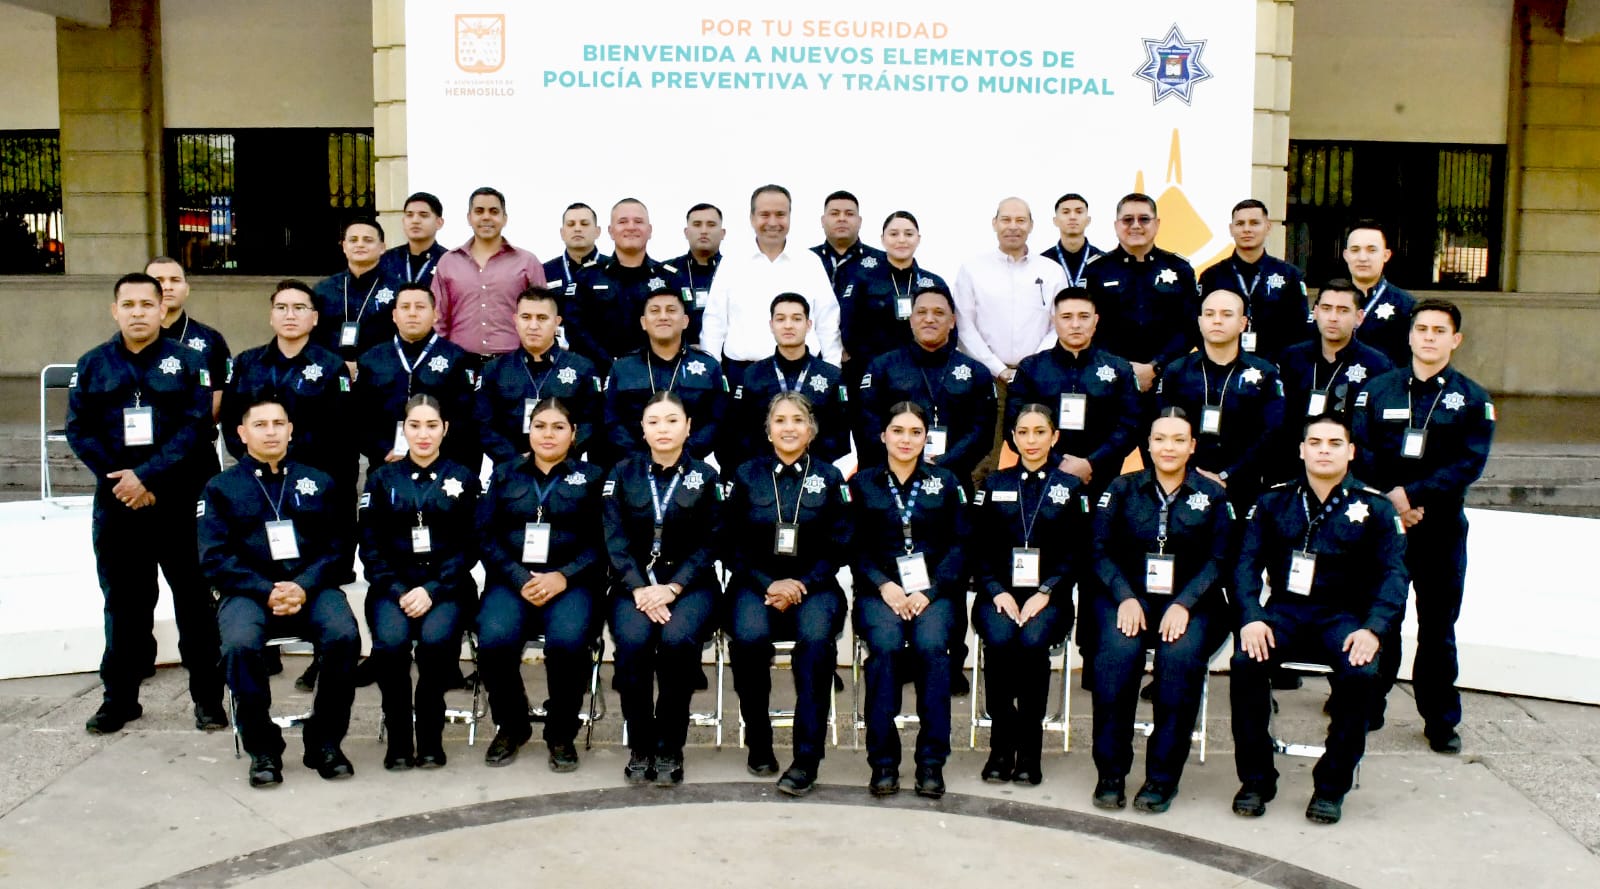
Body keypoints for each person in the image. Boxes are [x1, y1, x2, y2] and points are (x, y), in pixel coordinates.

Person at [1230, 414, 1409, 824]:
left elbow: (1394, 576)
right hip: (1284, 613)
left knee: (1362, 674)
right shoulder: (1273, 501)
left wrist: (1373, 629)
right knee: (1245, 663)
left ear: (1351, 452)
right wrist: (1251, 617)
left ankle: (1331, 786)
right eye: (1315, 443)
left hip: (1344, 617)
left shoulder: (1376, 508)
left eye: (1334, 443)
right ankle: (1257, 779)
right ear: (1301, 450)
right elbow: (1244, 564)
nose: (1324, 451)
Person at [66, 272, 224, 734]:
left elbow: (196, 427)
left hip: (179, 500)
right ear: (115, 310)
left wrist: (147, 476)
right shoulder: (93, 364)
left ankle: (208, 700)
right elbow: (80, 430)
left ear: (161, 309)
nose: (138, 312)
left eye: (146, 304)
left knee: (195, 602)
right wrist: (124, 480)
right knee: (124, 604)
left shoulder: (189, 361)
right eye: (129, 305)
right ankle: (119, 700)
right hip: (119, 502)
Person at [1353, 299, 1494, 753]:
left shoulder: (1473, 399)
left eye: (1439, 331)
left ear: (1456, 340)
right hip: (1385, 528)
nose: (1429, 337)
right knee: (1382, 619)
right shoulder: (1378, 391)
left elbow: (1468, 463)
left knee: (1437, 627)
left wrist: (1411, 497)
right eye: (1422, 329)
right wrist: (1391, 500)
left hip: (1440, 528)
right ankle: (1369, 706)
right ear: (1409, 336)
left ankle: (1440, 720)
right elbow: (1361, 451)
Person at [199, 398, 361, 787]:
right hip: (248, 592)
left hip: (312, 589)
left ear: (291, 430)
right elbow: (214, 557)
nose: (270, 431)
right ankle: (264, 749)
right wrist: (266, 589)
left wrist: (302, 586)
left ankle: (325, 742)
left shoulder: (318, 482)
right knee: (240, 646)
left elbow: (338, 548)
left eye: (278, 423)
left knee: (344, 636)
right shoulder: (221, 488)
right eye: (260, 425)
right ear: (242, 434)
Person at [1088, 409, 1232, 813]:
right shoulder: (1121, 489)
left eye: (1178, 440)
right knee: (1117, 660)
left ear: (1192, 446)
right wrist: (1125, 596)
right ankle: (1111, 773)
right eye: (1160, 439)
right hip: (1127, 599)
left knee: (1178, 665)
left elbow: (1220, 558)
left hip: (1190, 603)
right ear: (1148, 445)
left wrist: (1185, 602)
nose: (1169, 447)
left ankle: (1161, 779)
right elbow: (1098, 551)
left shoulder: (1213, 494)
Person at [723, 392, 851, 796]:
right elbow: (730, 543)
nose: (789, 427)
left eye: (798, 420)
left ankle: (806, 760)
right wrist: (769, 583)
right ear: (768, 431)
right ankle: (759, 741)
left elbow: (840, 544)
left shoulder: (829, 478)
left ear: (811, 430)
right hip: (755, 584)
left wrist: (801, 584)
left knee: (815, 643)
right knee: (749, 639)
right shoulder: (746, 475)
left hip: (815, 587)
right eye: (780, 420)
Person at [476, 397, 607, 770]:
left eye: (558, 427)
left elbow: (604, 540)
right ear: (529, 430)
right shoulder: (505, 474)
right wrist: (519, 577)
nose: (548, 434)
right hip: (513, 580)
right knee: (494, 639)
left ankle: (560, 733)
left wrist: (563, 575)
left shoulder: (593, 477)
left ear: (574, 434)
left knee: (568, 643)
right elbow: (485, 535)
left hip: (571, 582)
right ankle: (512, 725)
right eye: (540, 426)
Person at [603, 393, 724, 787]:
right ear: (642, 429)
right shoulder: (622, 473)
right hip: (633, 585)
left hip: (689, 586)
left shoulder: (706, 477)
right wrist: (640, 588)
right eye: (653, 421)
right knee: (633, 643)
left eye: (672, 420)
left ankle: (670, 745)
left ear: (688, 427)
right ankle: (641, 745)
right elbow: (614, 539)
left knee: (676, 642)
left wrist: (673, 586)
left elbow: (711, 542)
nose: (663, 429)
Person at [851, 401, 969, 799]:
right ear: (883, 435)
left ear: (926, 439)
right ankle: (883, 762)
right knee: (885, 649)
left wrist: (930, 591)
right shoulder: (862, 483)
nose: (906, 439)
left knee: (932, 649)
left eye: (915, 432)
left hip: (933, 593)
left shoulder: (946, 482)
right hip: (880, 593)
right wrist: (884, 585)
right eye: (898, 431)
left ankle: (931, 763)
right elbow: (853, 546)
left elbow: (960, 545)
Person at [357, 395, 480, 770]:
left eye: (431, 426)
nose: (423, 434)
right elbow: (370, 547)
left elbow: (471, 546)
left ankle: (429, 737)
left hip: (447, 587)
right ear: (403, 430)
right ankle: (398, 739)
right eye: (415, 426)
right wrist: (400, 590)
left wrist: (432, 590)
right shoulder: (381, 479)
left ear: (445, 429)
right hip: (392, 588)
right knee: (391, 645)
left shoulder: (463, 477)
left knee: (436, 643)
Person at [971, 404, 1085, 786]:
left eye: (1040, 432)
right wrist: (996, 590)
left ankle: (1030, 751)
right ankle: (1001, 746)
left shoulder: (1070, 487)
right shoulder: (994, 483)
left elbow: (1077, 553)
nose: (1031, 440)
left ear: (1054, 437)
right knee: (1001, 639)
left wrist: (1046, 590)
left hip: (1050, 597)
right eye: (1023, 432)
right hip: (998, 595)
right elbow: (978, 549)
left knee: (1033, 641)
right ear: (1013, 438)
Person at [222, 280, 356, 576]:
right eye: (281, 307)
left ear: (314, 318)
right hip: (258, 479)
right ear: (271, 316)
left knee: (315, 569)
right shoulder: (246, 363)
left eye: (299, 308)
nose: (290, 315)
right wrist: (261, 460)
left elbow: (341, 431)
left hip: (311, 481)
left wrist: (289, 463)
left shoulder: (332, 367)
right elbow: (231, 422)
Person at [952, 197, 1067, 482]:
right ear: (994, 224)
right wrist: (998, 368)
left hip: (1038, 379)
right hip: (987, 378)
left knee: (1040, 453)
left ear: (1031, 225)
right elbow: (964, 326)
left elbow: (1059, 324)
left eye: (1020, 220)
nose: (1013, 226)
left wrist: (1030, 366)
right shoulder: (973, 269)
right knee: (983, 458)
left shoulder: (1051, 270)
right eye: (1006, 219)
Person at [1155, 289, 1287, 512]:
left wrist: (1228, 474)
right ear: (1199, 322)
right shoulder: (1176, 371)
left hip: (1245, 485)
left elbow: (1272, 433)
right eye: (1209, 314)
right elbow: (1162, 428)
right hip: (1183, 483)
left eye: (1226, 314)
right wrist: (1192, 474)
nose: (1217, 320)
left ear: (1243, 323)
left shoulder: (1265, 373)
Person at [1005, 287, 1140, 500]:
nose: (1075, 324)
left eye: (1084, 317)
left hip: (1103, 476)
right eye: (1067, 317)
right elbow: (1013, 425)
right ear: (1054, 320)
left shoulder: (1119, 368)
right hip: (1043, 476)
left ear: (1096, 320)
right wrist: (1059, 463)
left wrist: (1090, 463)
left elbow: (1130, 425)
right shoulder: (1031, 368)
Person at [701, 184, 842, 385]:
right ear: (752, 218)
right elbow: (714, 322)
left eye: (780, 214)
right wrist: (711, 374)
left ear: (790, 217)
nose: (773, 222)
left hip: (802, 375)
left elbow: (828, 321)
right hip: (743, 375)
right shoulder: (733, 262)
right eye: (765, 214)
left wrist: (832, 370)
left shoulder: (810, 262)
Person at [857, 285, 998, 485]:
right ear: (911, 319)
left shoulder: (976, 372)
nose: (929, 319)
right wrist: (906, 462)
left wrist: (943, 463)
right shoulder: (882, 367)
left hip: (953, 479)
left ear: (952, 321)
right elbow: (868, 424)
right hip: (892, 478)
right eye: (921, 312)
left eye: (939, 313)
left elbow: (981, 432)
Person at [1274, 279, 1393, 482]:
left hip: (1353, 475)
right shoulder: (1291, 358)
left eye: (1343, 310)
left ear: (1359, 317)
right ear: (1315, 312)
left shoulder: (1378, 365)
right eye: (1326, 309)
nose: (1333, 317)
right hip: (1292, 470)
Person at [353, 283, 479, 473]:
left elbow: (465, 417)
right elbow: (359, 415)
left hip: (443, 465)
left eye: (420, 307)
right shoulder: (371, 359)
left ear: (435, 314)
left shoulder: (458, 359)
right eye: (405, 307)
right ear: (394, 315)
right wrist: (384, 449)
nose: (412, 313)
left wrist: (428, 450)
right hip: (386, 464)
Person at [1084, 193, 1201, 396]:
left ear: (1157, 224)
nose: (1136, 226)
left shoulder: (1180, 269)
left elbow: (1190, 327)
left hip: (1169, 377)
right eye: (1128, 220)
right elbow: (1089, 326)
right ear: (1116, 225)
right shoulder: (1096, 270)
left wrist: (1156, 366)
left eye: (1144, 219)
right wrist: (1124, 367)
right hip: (1110, 377)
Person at [475, 288, 603, 466]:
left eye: (542, 318)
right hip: (510, 469)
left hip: (566, 467)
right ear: (515, 320)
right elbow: (483, 425)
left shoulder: (583, 368)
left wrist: (558, 455)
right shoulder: (494, 370)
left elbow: (592, 421)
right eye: (526, 317)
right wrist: (517, 460)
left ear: (557, 322)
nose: (533, 326)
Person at [723, 294, 849, 472]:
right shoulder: (751, 375)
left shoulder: (831, 376)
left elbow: (839, 435)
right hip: (762, 474)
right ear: (771, 325)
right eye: (780, 319)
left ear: (809, 325)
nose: (788, 325)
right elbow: (738, 433)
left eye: (797, 319)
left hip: (816, 474)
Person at [603, 283, 727, 464]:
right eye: (655, 311)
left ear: (685, 321)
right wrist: (639, 456)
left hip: (691, 464)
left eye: (671, 310)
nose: (663, 316)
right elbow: (612, 419)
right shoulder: (622, 367)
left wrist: (684, 454)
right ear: (643, 322)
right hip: (634, 465)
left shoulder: (709, 366)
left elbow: (717, 420)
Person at [564, 198, 681, 373]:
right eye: (623, 221)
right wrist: (612, 364)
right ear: (611, 231)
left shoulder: (669, 278)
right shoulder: (587, 277)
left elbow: (680, 329)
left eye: (638, 221)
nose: (631, 227)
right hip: (599, 374)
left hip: (656, 375)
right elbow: (575, 329)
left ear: (650, 231)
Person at [835, 210, 949, 388]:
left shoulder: (933, 283)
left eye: (909, 234)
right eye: (894, 234)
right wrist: (875, 365)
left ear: (918, 239)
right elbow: (848, 327)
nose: (901, 240)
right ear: (883, 239)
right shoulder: (862, 279)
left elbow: (950, 330)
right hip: (873, 372)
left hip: (923, 374)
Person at [432, 186, 546, 361]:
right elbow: (438, 318)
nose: (486, 217)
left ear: (504, 218)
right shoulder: (448, 262)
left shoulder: (527, 262)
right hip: (459, 362)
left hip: (513, 363)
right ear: (469, 218)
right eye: (479, 211)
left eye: (494, 211)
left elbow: (542, 315)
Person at [1197, 200, 1310, 364]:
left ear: (1268, 227)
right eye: (1240, 224)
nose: (1247, 229)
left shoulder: (1289, 275)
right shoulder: (1212, 276)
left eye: (1254, 223)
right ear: (1231, 229)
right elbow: (1197, 325)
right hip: (1224, 368)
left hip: (1276, 367)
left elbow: (1300, 327)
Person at [149, 255, 230, 422]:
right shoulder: (130, 340)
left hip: (198, 433)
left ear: (186, 289)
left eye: (175, 280)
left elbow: (221, 391)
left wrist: (192, 429)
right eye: (158, 280)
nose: (167, 286)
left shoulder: (210, 339)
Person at [312, 218, 399, 368]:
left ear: (382, 247)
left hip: (382, 371)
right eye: (353, 240)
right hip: (331, 370)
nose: (360, 245)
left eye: (368, 240)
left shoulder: (399, 290)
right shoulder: (324, 289)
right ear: (344, 246)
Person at [1343, 220, 1416, 367]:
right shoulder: (1330, 299)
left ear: (1386, 255)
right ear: (1346, 255)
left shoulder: (1406, 305)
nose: (1362, 258)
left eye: (1371, 250)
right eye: (1355, 250)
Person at [667, 202, 725, 344]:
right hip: (679, 353)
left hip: (726, 354)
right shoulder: (667, 272)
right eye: (697, 224)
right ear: (686, 232)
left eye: (711, 225)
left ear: (722, 233)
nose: (704, 231)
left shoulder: (735, 271)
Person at [811, 189, 887, 294]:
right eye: (834, 214)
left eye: (849, 214)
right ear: (823, 221)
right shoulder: (807, 259)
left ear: (859, 222)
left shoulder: (884, 261)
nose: (842, 219)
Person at [379, 191, 448, 290]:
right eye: (409, 215)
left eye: (423, 215)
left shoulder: (449, 261)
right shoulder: (386, 260)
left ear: (439, 223)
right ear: (403, 221)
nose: (415, 221)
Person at [541, 202, 609, 295]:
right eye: (571, 224)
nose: (577, 229)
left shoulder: (615, 269)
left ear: (597, 231)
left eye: (584, 224)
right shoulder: (544, 272)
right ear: (562, 233)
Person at [1039, 193, 1104, 289]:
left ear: (1088, 220)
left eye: (1079, 212)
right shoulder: (1043, 262)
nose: (1072, 217)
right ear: (1055, 221)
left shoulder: (1103, 261)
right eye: (1066, 212)